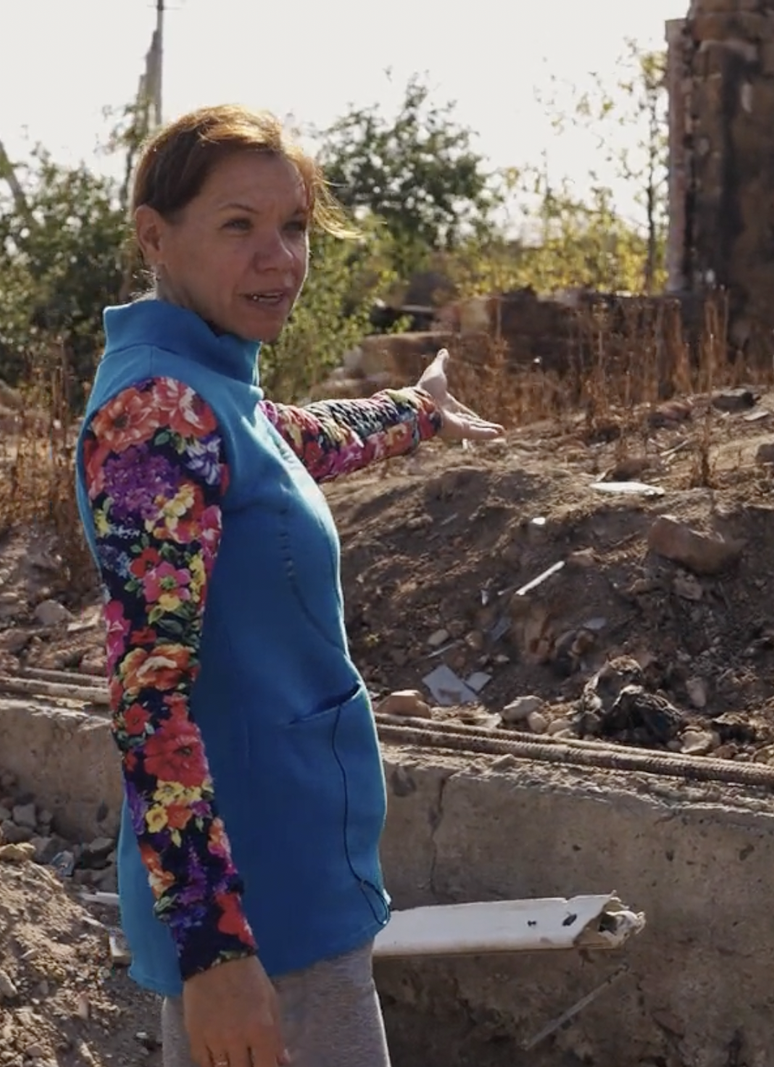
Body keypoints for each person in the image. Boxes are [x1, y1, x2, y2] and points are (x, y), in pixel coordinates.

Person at [72, 104, 503, 1067]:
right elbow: (149, 693)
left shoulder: (208, 390)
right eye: (239, 226)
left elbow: (289, 437)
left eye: (295, 226)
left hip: (296, 886)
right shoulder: (155, 410)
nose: (281, 258)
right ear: (155, 235)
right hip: (256, 908)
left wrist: (414, 411)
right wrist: (214, 950)